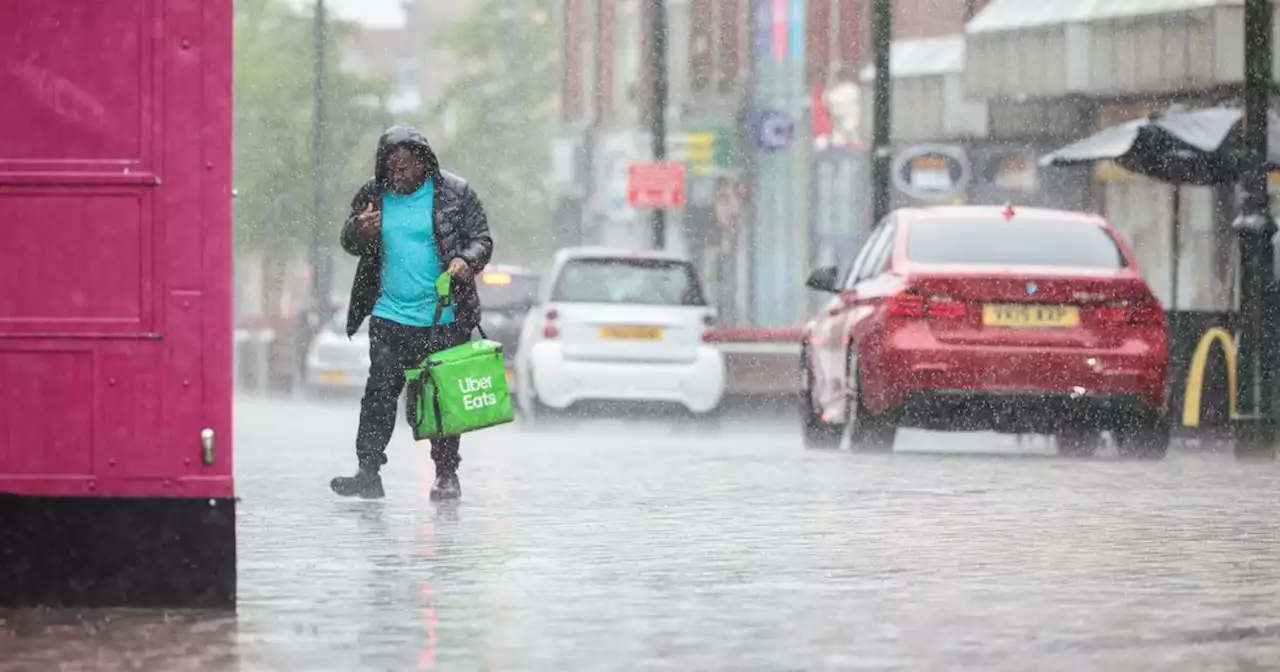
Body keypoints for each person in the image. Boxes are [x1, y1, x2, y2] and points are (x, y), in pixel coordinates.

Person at [330, 124, 493, 501]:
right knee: (379, 394)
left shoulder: (455, 193)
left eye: (404, 167)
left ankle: (446, 473)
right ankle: (368, 471)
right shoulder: (373, 195)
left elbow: (481, 240)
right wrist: (359, 230)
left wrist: (464, 261)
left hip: (444, 317)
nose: (397, 174)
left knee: (440, 399)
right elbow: (348, 242)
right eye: (391, 167)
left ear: (424, 163)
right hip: (390, 315)